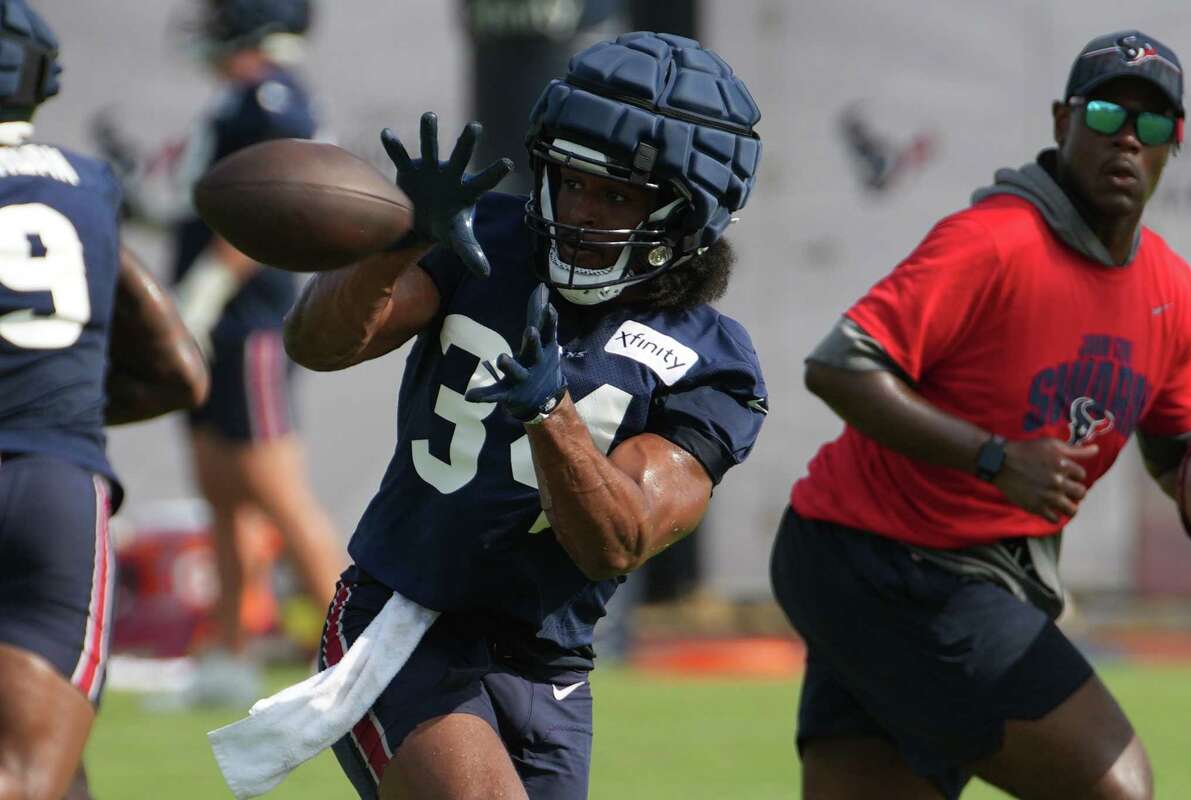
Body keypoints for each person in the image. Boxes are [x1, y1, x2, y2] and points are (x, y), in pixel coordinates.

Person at [284, 31, 767, 800]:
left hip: (551, 669)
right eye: (570, 181)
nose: (579, 210)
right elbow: (321, 345)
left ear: (691, 213)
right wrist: (393, 246)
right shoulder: (492, 241)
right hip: (404, 620)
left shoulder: (712, 363)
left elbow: (618, 541)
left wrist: (551, 412)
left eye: (615, 195)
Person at [771, 30, 1191, 800]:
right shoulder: (994, 242)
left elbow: (1177, 453)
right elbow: (839, 366)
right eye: (1106, 115)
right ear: (1063, 119)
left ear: (1176, 142)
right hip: (891, 560)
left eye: (1154, 123)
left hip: (938, 573)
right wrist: (997, 458)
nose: (1128, 140)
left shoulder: (1171, 290)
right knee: (1115, 787)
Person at [100, 0, 345, 704]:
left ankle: (357, 652)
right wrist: (140, 198)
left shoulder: (274, 99)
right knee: (221, 490)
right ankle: (228, 652)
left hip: (250, 324)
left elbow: (274, 201)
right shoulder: (239, 99)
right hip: (217, 326)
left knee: (275, 488)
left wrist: (205, 292)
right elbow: (202, 201)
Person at [0, 2, 210, 797]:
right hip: (53, 489)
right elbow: (181, 370)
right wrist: (61, 409)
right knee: (34, 767)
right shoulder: (86, 186)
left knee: (52, 768)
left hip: (48, 456)